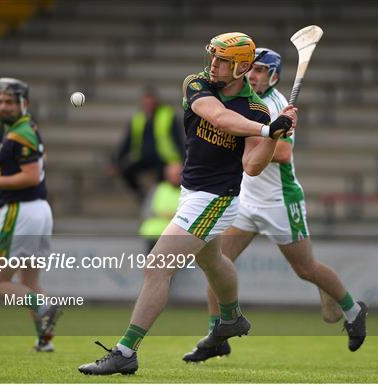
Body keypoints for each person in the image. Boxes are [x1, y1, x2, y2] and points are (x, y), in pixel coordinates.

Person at [78, 32, 297, 375]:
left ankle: (126, 351)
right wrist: (269, 129)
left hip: (218, 198)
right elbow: (219, 118)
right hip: (191, 192)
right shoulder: (198, 84)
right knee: (213, 261)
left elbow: (252, 166)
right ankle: (231, 318)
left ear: (240, 67)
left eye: (222, 60)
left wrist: (274, 137)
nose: (213, 63)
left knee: (157, 266)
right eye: (213, 56)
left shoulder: (256, 109)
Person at [182, 48, 368, 363]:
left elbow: (283, 154)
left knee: (305, 269)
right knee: (217, 264)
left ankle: (353, 310)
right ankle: (218, 334)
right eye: (250, 69)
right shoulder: (240, 98)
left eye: (261, 71)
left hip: (280, 201)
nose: (253, 75)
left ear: (274, 76)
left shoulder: (278, 105)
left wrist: (254, 133)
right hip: (246, 200)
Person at [0, 78, 61, 352]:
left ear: (24, 104)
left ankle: (46, 307)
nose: (3, 107)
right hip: (38, 211)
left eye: (9, 102)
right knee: (29, 281)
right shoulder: (25, 128)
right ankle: (44, 340)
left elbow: (31, 175)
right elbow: (27, 167)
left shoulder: (18, 134)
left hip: (19, 213)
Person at [109, 88, 185, 200]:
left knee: (163, 179)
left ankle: (158, 201)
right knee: (126, 171)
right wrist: (115, 161)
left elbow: (178, 139)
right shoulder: (138, 118)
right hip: (144, 156)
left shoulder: (167, 115)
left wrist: (181, 160)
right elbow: (127, 142)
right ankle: (142, 196)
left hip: (164, 158)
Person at [139, 162, 183, 251]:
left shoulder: (187, 191)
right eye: (172, 175)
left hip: (177, 235)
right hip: (154, 233)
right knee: (153, 263)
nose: (175, 177)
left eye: (177, 175)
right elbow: (146, 211)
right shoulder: (158, 189)